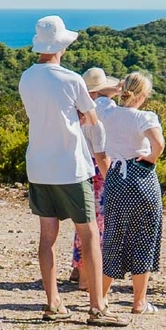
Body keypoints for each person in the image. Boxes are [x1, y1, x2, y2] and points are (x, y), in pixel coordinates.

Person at [18, 16, 124, 326]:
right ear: (61, 45)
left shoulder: (26, 78)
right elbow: (92, 119)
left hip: (38, 165)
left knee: (47, 238)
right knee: (89, 235)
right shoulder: (71, 79)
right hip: (70, 167)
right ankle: (97, 306)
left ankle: (53, 302)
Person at [98, 72, 165, 314]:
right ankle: (139, 302)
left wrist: (116, 89)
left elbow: (101, 95)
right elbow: (158, 145)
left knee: (114, 235)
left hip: (116, 176)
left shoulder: (107, 112)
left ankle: (102, 297)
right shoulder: (145, 117)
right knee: (144, 237)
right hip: (142, 177)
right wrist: (150, 159)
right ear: (143, 96)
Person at [68, 67, 118, 289]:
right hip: (98, 170)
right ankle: (89, 277)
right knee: (98, 224)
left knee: (84, 222)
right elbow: (103, 153)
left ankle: (79, 269)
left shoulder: (76, 109)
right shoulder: (106, 110)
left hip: (79, 167)